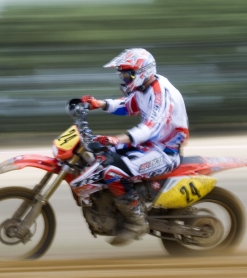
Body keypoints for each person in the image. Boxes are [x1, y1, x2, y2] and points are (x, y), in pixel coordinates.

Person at [81, 48, 189, 246]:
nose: (123, 78)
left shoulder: (160, 93)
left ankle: (136, 222)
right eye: (122, 74)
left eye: (126, 74)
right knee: (100, 158)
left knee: (113, 172)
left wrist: (118, 139)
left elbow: (150, 128)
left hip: (164, 152)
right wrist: (100, 104)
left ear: (142, 72)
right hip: (149, 146)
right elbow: (127, 106)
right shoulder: (144, 88)